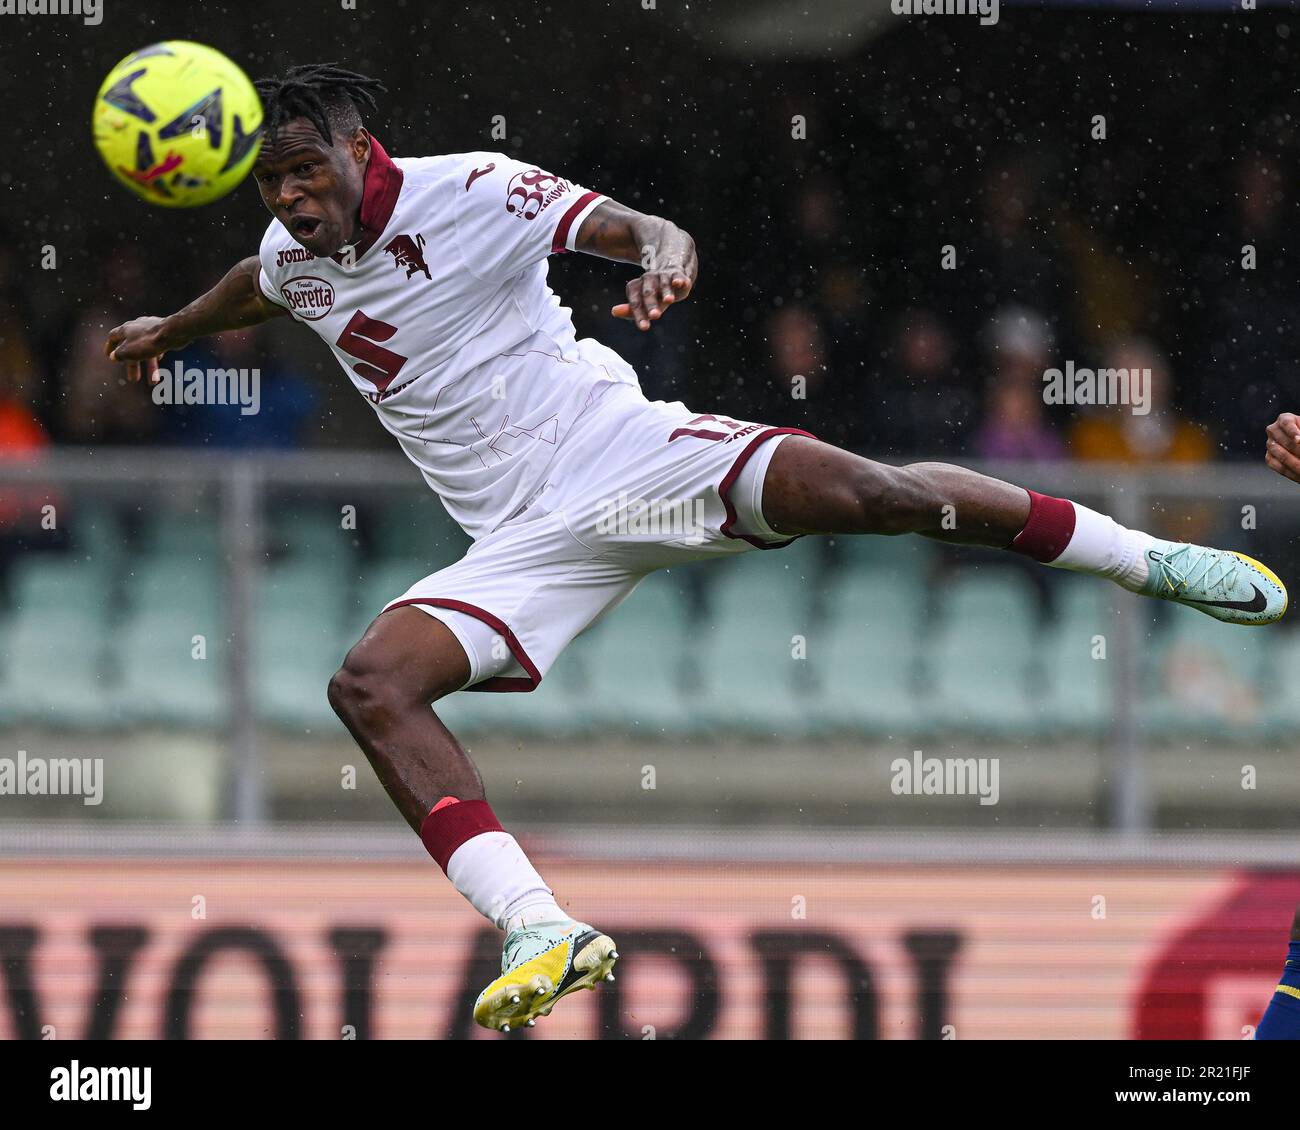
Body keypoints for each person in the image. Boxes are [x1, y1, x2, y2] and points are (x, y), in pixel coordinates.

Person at [105, 65, 1289, 1034]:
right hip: (520, 539)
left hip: (616, 448)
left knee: (871, 490)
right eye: (272, 182)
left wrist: (664, 252)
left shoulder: (471, 186)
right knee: (367, 679)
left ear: (368, 151)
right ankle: (540, 926)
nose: (292, 198)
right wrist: (174, 327)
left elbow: (625, 224)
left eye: (307, 170)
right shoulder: (291, 252)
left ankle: (1140, 557)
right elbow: (257, 287)